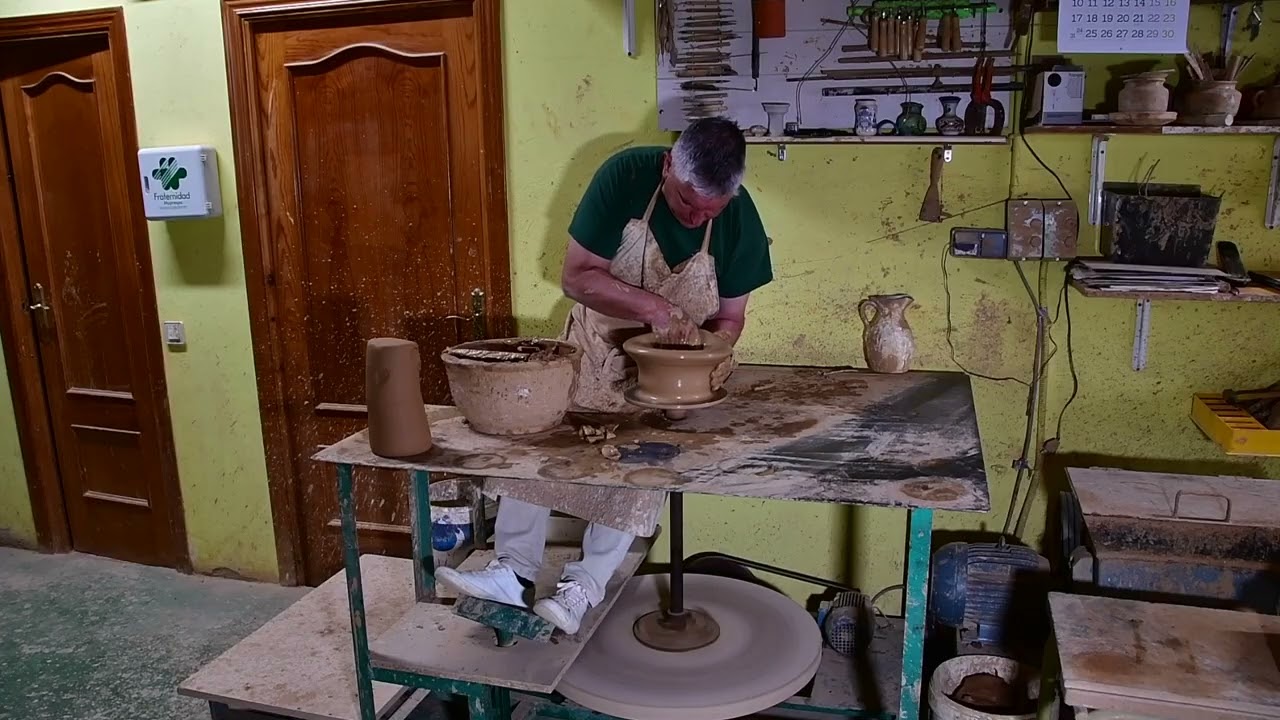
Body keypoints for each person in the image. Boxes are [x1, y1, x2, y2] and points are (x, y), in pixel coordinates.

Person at [436, 117, 773, 633]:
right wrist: (656, 309)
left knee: (645, 464)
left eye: (712, 210)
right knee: (541, 438)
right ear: (668, 168)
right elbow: (576, 277)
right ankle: (513, 571)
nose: (696, 217)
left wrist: (705, 360)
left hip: (671, 375)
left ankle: (582, 587)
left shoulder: (740, 217)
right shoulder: (623, 176)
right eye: (687, 203)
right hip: (595, 348)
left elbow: (729, 318)